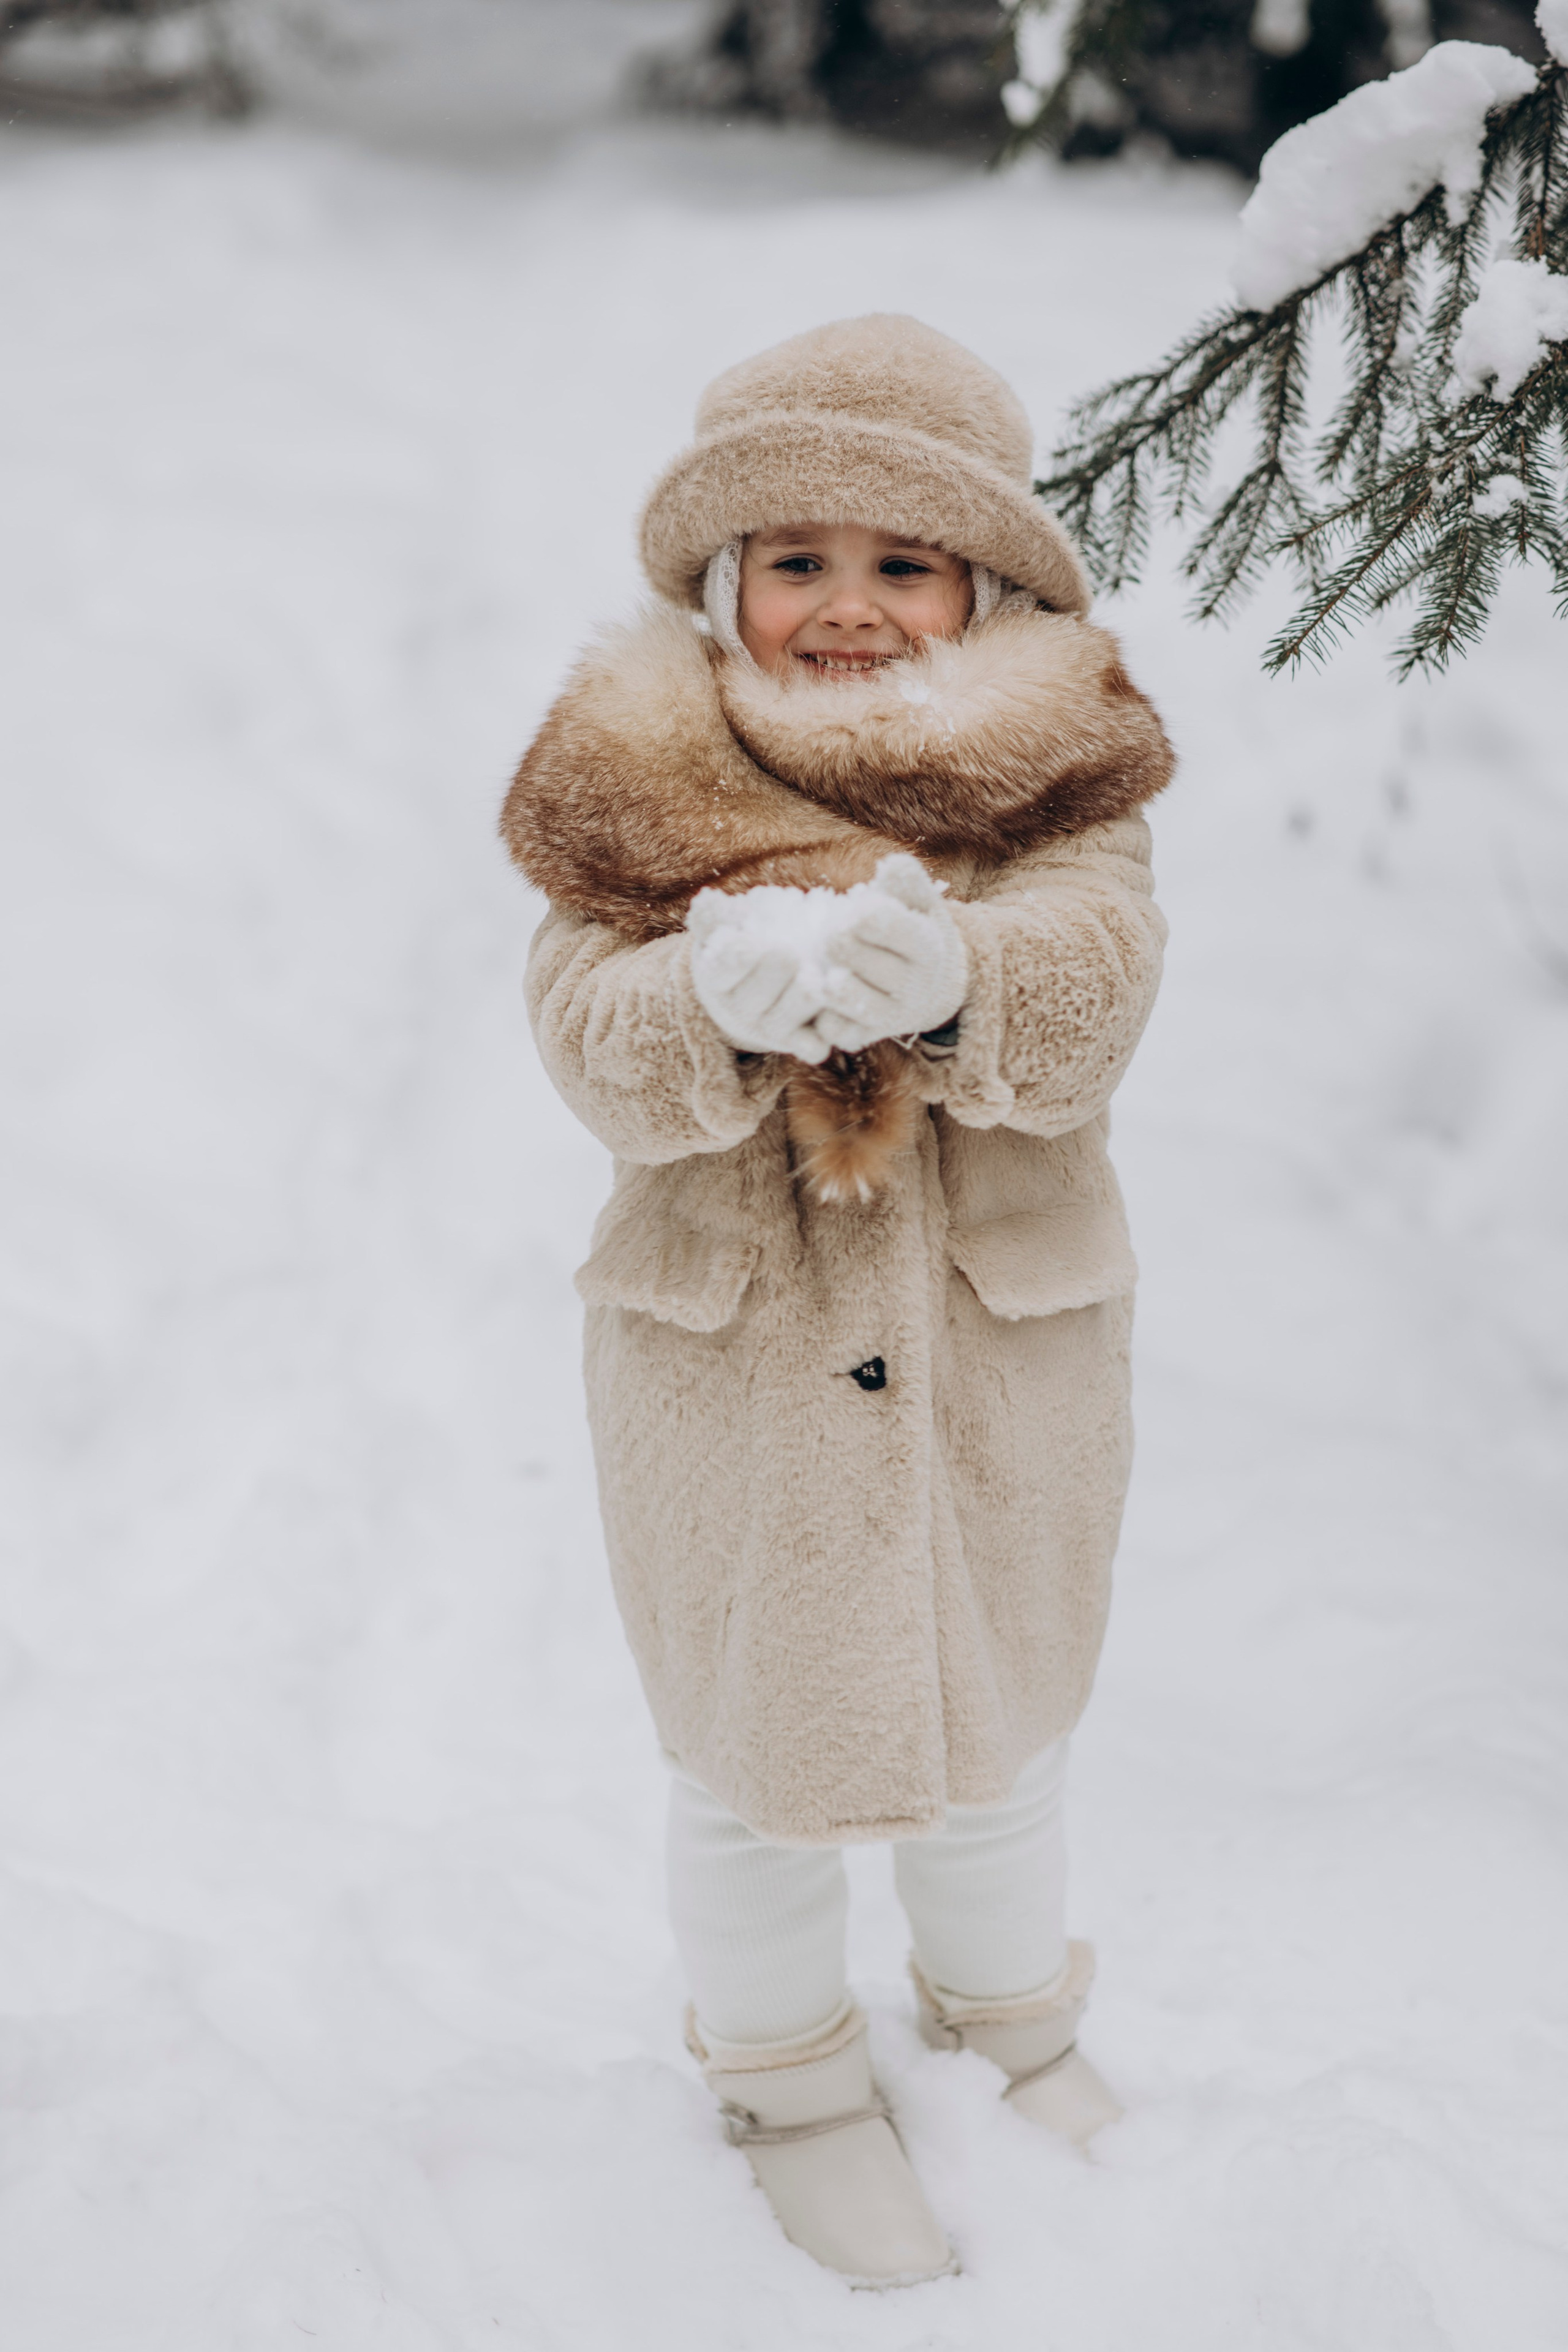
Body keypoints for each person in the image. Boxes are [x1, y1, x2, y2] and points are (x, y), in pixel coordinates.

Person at [503, 314, 1174, 2288]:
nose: (852, 609)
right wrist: (701, 1005)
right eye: (799, 564)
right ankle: (785, 2071)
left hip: (999, 1351)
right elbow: (581, 1030)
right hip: (741, 1363)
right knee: (758, 1760)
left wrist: (961, 984)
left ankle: (1002, 2016)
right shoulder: (636, 784)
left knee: (1006, 1725)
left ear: (983, 584)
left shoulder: (1064, 778)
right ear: (727, 589)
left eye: (903, 565)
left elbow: (1104, 969)